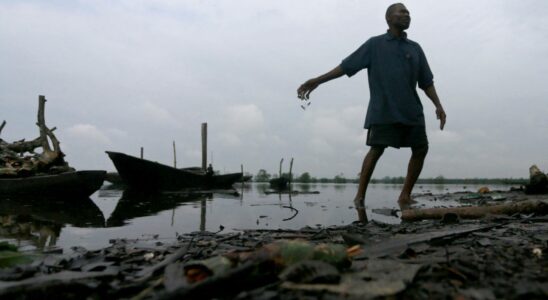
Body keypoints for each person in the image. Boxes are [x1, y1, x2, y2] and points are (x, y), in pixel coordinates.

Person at [297, 3, 446, 211]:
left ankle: (405, 196)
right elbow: (346, 66)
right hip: (383, 110)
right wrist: (318, 80)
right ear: (388, 18)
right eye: (401, 12)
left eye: (408, 13)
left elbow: (426, 82)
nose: (407, 15)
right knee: (376, 149)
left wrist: (438, 105)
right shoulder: (374, 45)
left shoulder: (415, 48)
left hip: (412, 111)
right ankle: (359, 197)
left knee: (421, 148)